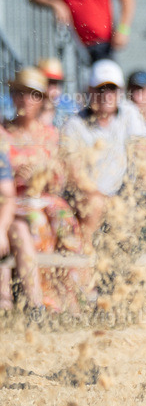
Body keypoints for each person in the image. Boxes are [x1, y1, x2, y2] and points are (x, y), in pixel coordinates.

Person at [0, 67, 84, 312]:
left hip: (44, 199)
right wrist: (18, 175)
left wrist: (44, 174)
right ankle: (45, 301)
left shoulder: (50, 135)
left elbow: (60, 180)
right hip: (15, 202)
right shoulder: (4, 133)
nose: (25, 99)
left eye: (32, 94)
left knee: (65, 221)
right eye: (20, 93)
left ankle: (72, 295)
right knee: (36, 224)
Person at [60, 59, 146, 248]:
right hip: (86, 200)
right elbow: (75, 176)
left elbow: (143, 157)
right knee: (95, 204)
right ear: (90, 91)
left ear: (120, 92)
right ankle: (86, 259)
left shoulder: (129, 114)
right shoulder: (74, 126)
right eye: (101, 89)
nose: (107, 95)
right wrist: (106, 201)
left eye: (112, 89)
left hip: (122, 197)